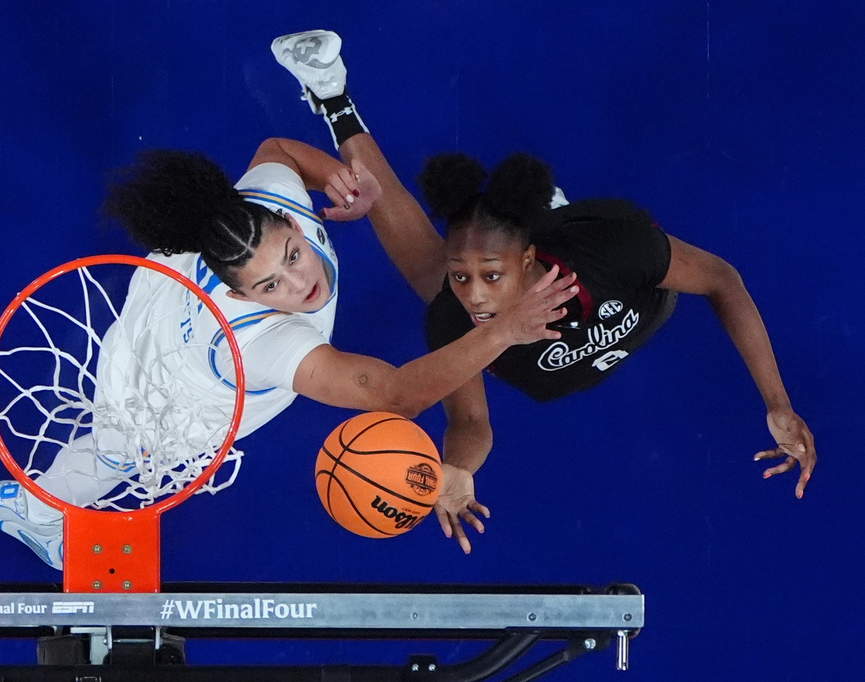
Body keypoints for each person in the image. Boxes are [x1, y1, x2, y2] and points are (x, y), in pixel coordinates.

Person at [271, 29, 818, 553]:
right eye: (465, 277)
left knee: (455, 272)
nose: (475, 295)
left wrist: (777, 403)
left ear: (528, 260)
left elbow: (722, 279)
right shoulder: (456, 315)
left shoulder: (615, 250)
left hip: (622, 290)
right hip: (541, 298)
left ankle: (546, 213)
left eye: (490, 276)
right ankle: (333, 93)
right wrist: (457, 468)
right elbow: (471, 422)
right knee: (433, 281)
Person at [0, 136, 579, 568]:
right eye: (270, 286)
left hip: (173, 285)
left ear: (289, 224)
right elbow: (397, 396)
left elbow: (279, 151)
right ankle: (30, 507)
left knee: (121, 447)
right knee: (127, 448)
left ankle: (38, 503)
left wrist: (341, 180)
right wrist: (504, 330)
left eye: (292, 256)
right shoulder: (263, 340)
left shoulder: (273, 201)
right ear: (243, 294)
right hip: (170, 381)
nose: (300, 286)